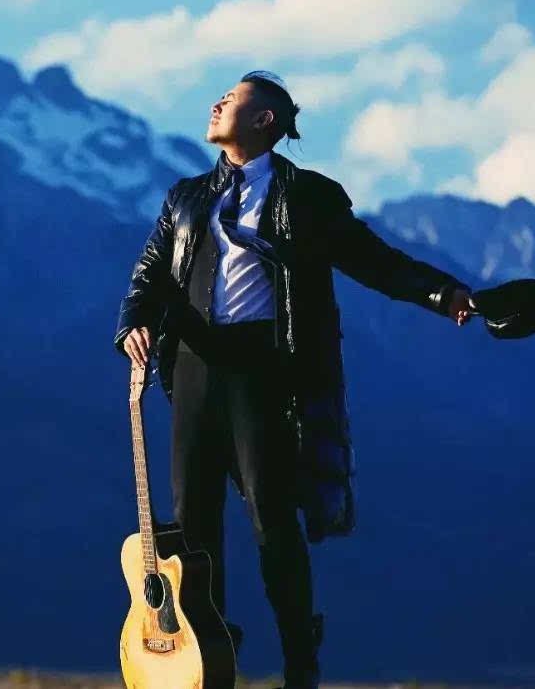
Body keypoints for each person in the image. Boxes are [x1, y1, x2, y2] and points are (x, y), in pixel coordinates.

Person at [112, 71, 476, 689]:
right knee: (192, 527)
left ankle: (298, 658)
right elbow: (150, 275)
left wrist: (444, 294)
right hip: (196, 368)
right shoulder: (187, 198)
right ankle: (210, 656)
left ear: (266, 122)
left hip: (265, 371)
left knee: (270, 519)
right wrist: (132, 325)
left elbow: (377, 262)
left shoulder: (309, 198)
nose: (217, 99)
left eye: (234, 95)